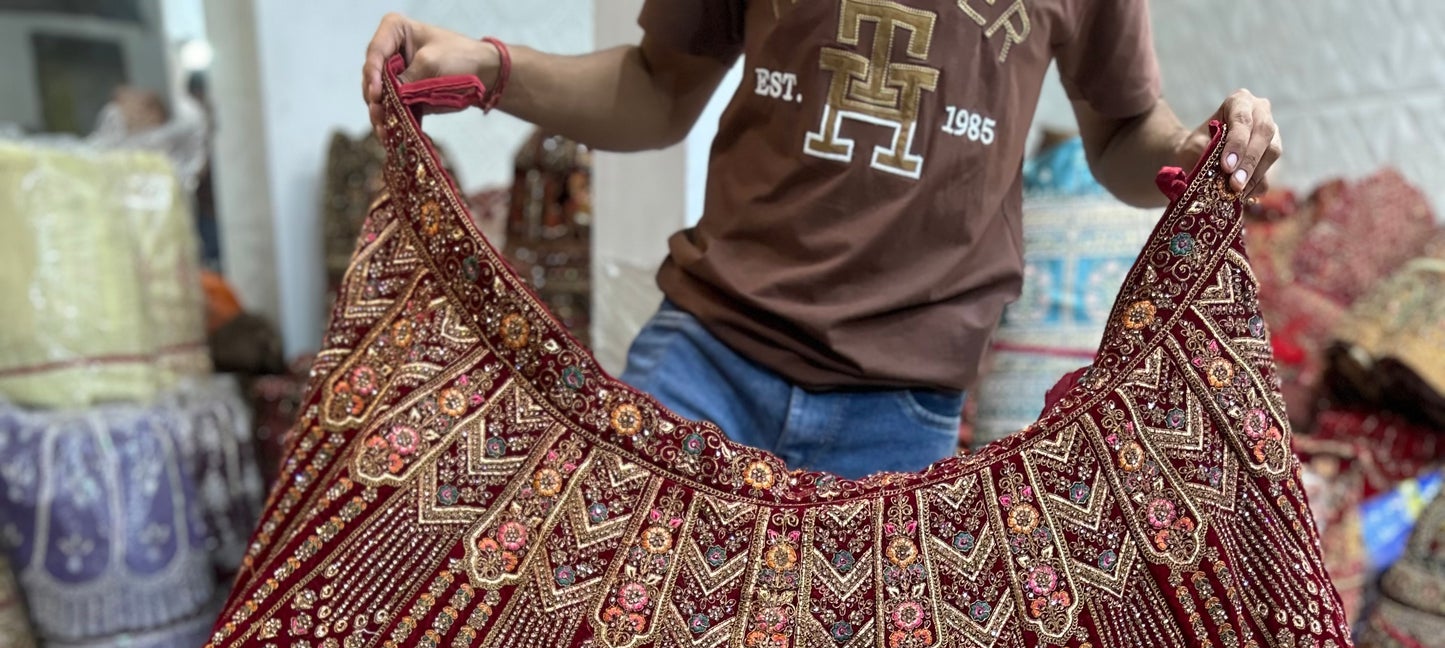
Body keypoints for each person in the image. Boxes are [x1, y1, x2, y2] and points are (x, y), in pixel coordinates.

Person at [362, 8, 1280, 481]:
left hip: (900, 410)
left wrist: (1196, 155)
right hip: (703, 361)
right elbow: (654, 87)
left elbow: (1123, 137)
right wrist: (494, 69)